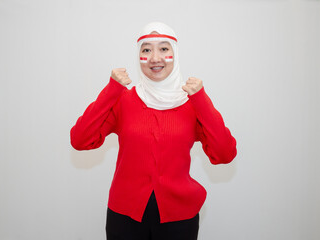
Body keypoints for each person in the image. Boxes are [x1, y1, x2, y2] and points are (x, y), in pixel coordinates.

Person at [70, 22, 237, 240]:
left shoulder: (192, 102)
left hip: (179, 219)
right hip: (125, 218)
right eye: (146, 49)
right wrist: (112, 90)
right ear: (138, 55)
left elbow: (224, 154)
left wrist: (201, 100)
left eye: (164, 49)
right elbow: (80, 139)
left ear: (175, 54)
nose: (154, 58)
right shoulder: (124, 99)